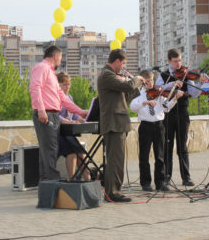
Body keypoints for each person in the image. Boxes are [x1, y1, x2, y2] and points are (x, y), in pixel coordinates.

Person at [29, 46, 87, 181]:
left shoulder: (51, 74)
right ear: (55, 57)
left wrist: (80, 111)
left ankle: (47, 186)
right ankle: (53, 183)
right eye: (60, 58)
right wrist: (41, 110)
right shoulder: (42, 68)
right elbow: (35, 87)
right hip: (46, 114)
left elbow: (62, 97)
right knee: (49, 152)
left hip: (53, 115)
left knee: (50, 152)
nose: (61, 61)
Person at [98, 49, 146, 202]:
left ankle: (115, 189)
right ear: (116, 61)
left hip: (118, 123)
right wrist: (137, 79)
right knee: (115, 159)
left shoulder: (114, 77)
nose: (124, 67)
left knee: (118, 158)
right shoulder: (107, 75)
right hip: (113, 123)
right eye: (123, 63)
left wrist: (137, 86)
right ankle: (113, 193)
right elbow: (127, 87)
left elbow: (125, 94)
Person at [155, 48, 208, 186]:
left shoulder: (186, 74)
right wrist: (172, 84)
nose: (178, 64)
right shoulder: (163, 75)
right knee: (167, 145)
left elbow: (193, 93)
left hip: (183, 112)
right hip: (168, 113)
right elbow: (158, 90)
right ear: (169, 61)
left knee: (182, 146)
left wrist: (200, 83)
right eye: (175, 61)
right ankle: (166, 176)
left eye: (179, 60)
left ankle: (186, 177)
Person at [130, 69, 183, 192]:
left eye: (152, 80)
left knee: (160, 156)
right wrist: (145, 102)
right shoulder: (138, 93)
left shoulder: (158, 93)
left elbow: (166, 108)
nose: (151, 84)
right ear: (142, 81)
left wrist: (175, 98)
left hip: (159, 126)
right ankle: (146, 183)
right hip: (145, 126)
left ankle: (160, 182)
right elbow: (133, 107)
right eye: (148, 81)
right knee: (144, 156)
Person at [56, 72, 90, 181]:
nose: (67, 87)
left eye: (69, 84)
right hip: (59, 133)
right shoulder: (54, 97)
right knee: (71, 152)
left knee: (81, 153)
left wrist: (81, 119)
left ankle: (88, 179)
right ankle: (72, 180)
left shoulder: (69, 97)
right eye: (64, 84)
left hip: (69, 132)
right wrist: (66, 121)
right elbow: (54, 116)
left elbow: (74, 114)